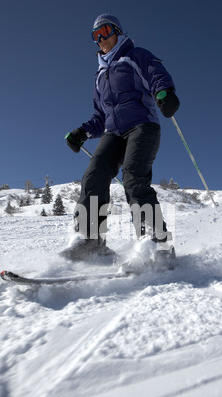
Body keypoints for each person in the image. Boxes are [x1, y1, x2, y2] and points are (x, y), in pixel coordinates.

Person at [64, 14, 180, 261]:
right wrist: (82, 132)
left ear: (117, 30)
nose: (101, 39)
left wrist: (164, 92)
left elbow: (155, 73)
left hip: (143, 125)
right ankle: (90, 239)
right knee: (94, 174)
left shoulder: (135, 56)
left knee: (134, 178)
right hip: (113, 132)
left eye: (104, 31)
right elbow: (101, 115)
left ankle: (156, 243)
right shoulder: (99, 76)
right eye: (95, 36)